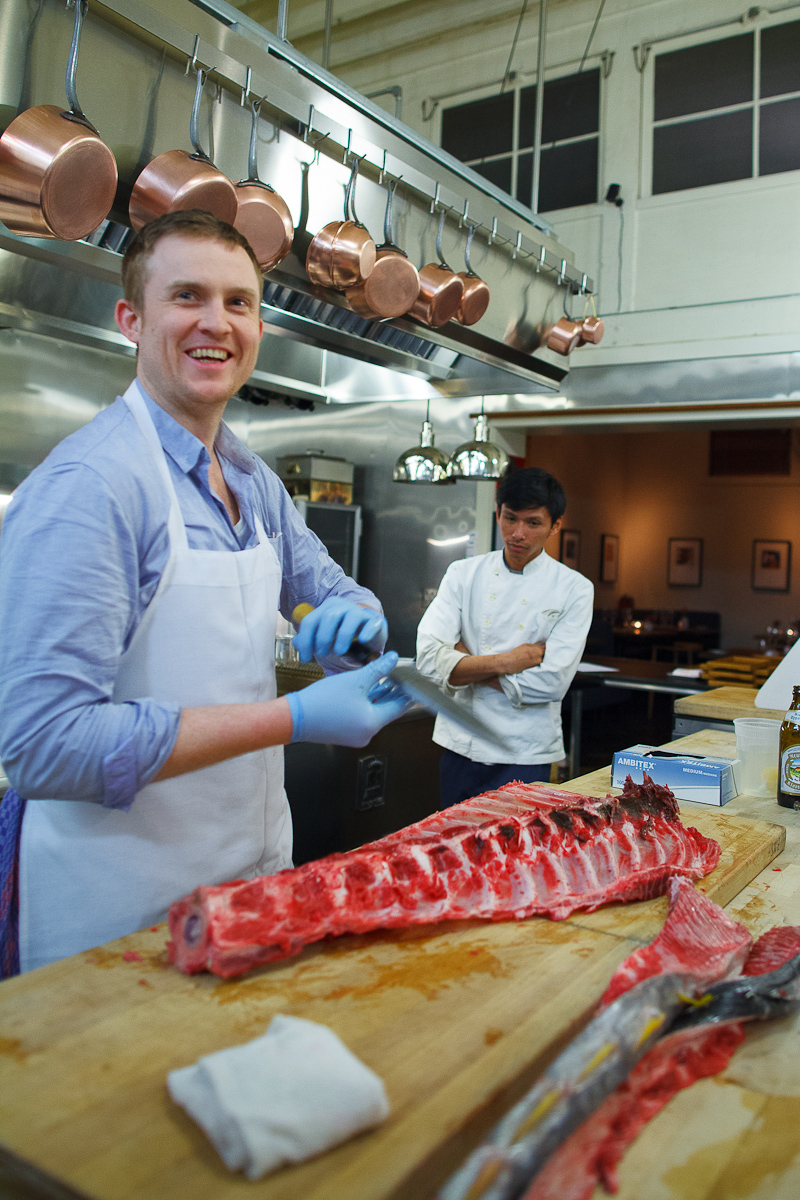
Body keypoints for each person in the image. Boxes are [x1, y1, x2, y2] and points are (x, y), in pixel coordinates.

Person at [0, 210, 408, 976]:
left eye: (238, 302)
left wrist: (359, 623)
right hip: (118, 923)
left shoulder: (251, 479)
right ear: (131, 318)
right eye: (186, 295)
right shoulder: (92, 487)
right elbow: (43, 747)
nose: (215, 323)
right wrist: (292, 716)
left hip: (248, 894)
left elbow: (334, 591)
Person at [416, 468, 593, 808]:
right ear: (497, 514)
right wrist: (511, 661)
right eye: (510, 518)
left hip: (524, 751)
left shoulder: (575, 589)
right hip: (460, 744)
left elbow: (552, 683)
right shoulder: (463, 574)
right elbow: (426, 659)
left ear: (555, 526)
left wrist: (463, 661)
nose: (517, 533)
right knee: (451, 849)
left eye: (533, 523)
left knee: (515, 857)